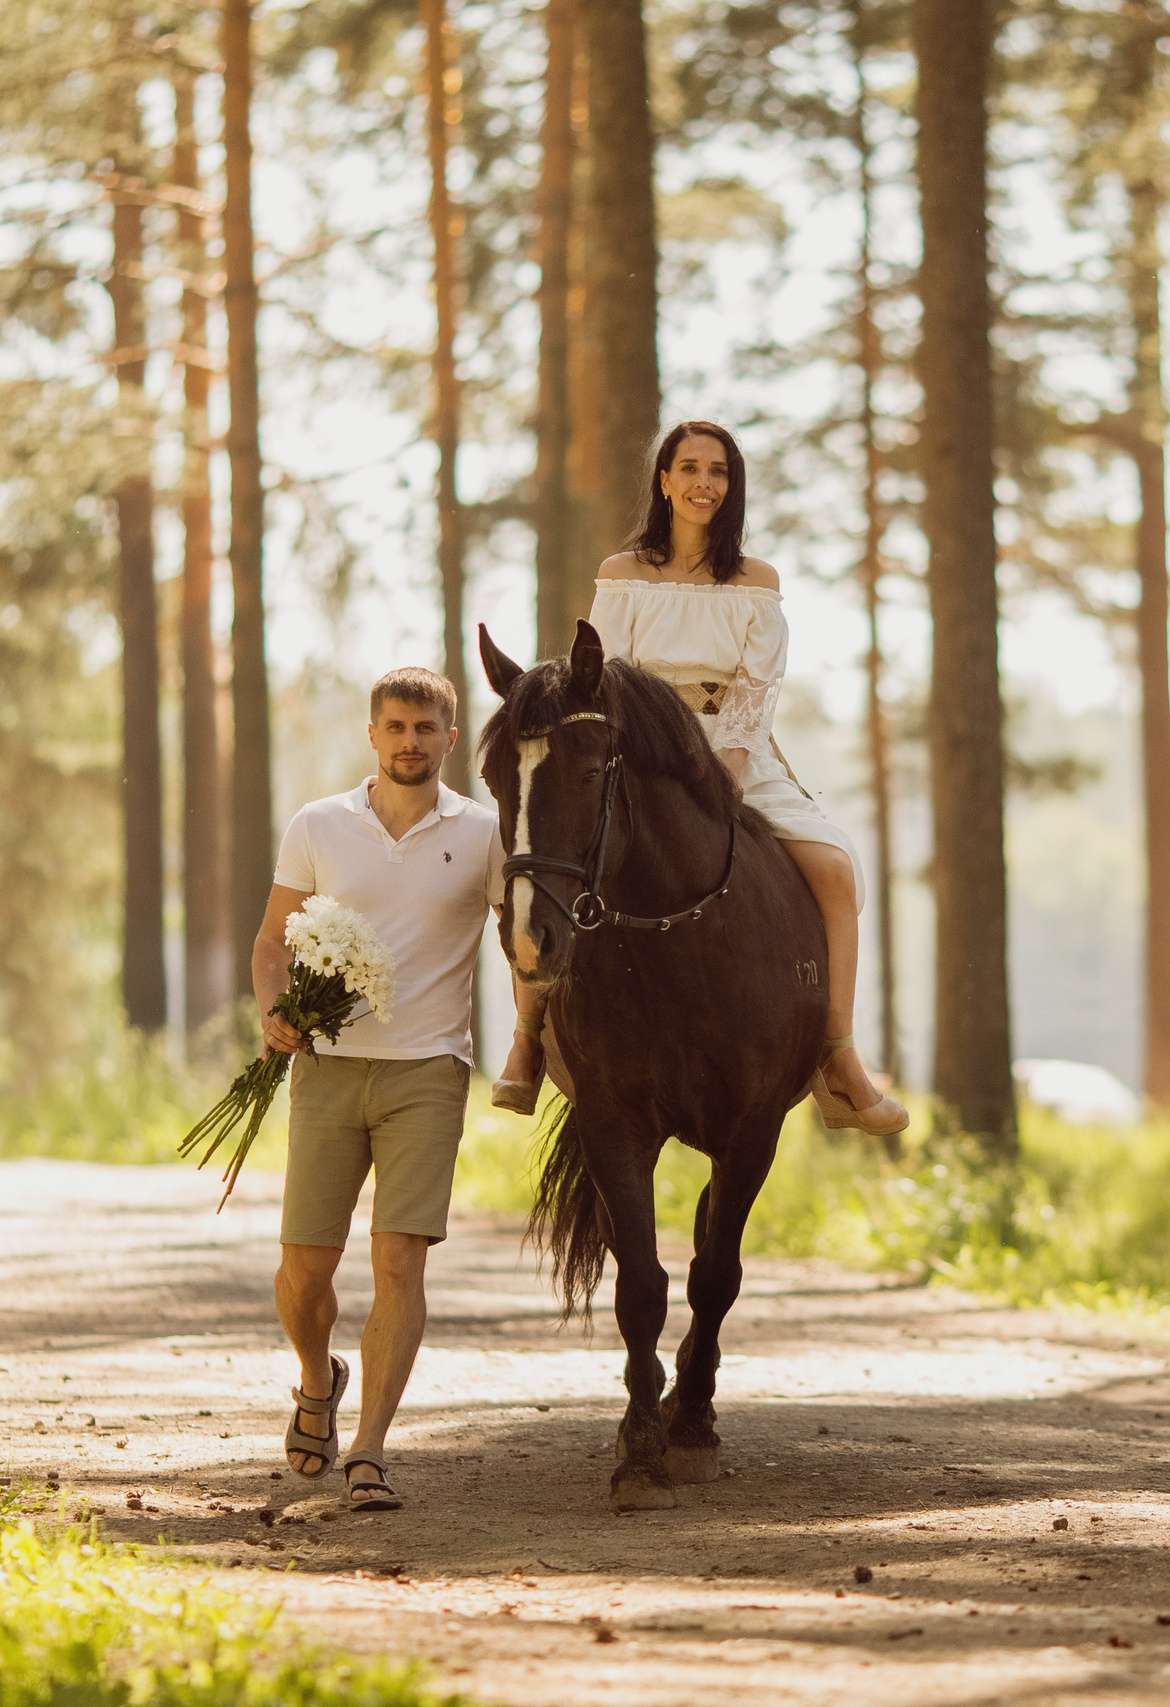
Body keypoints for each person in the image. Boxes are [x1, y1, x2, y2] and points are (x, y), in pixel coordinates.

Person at [493, 420, 908, 1138]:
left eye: (718, 471)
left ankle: (839, 1052)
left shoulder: (757, 582)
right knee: (544, 864)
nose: (702, 483)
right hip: (642, 751)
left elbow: (758, 682)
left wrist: (733, 763)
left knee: (836, 870)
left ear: (731, 485)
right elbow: (604, 675)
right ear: (663, 480)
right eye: (688, 467)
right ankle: (529, 1036)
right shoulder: (621, 575)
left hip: (736, 748)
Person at [254, 667, 503, 1512]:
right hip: (326, 1068)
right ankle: (316, 1377)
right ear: (373, 734)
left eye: (426, 728)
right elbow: (270, 943)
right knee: (303, 1272)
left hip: (431, 1071)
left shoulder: (484, 834)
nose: (410, 741)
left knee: (399, 1261)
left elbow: (529, 943)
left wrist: (539, 1039)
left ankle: (369, 1448)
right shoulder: (320, 824)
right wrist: (275, 1015)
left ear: (450, 738)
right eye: (395, 726)